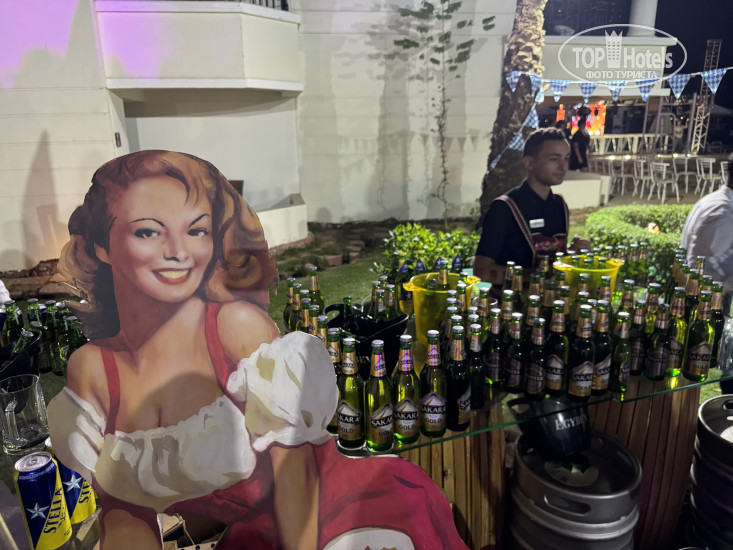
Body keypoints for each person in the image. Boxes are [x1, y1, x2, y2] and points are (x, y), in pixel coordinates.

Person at [48, 151, 466, 550]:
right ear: (102, 246)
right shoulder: (92, 370)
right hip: (258, 536)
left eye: (196, 231)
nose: (178, 252)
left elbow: (297, 481)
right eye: (148, 232)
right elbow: (124, 516)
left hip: (335, 516)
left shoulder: (237, 330)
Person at [474, 128, 589, 290]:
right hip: (510, 302)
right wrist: (539, 273)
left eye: (566, 158)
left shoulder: (559, 205)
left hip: (550, 300)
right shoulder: (504, 208)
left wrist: (572, 254)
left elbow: (554, 256)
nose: (563, 166)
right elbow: (482, 271)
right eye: (554, 159)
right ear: (529, 163)